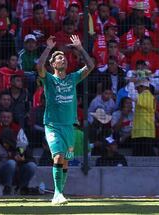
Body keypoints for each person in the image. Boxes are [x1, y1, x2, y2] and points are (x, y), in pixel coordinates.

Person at [37, 35, 94, 205]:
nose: (62, 59)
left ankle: (59, 193)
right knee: (58, 156)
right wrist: (48, 48)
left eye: (63, 57)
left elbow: (91, 66)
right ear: (53, 64)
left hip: (69, 125)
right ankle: (57, 194)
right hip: (53, 125)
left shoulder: (72, 78)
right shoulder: (48, 78)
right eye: (58, 58)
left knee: (66, 160)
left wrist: (80, 48)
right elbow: (39, 65)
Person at [0, 127, 36, 195]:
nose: (5, 144)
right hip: (3, 176)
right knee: (11, 163)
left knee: (32, 166)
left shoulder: (21, 147)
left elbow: (32, 160)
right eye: (3, 142)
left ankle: (22, 187)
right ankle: (7, 188)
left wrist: (23, 160)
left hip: (18, 175)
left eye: (6, 142)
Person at [131, 79, 156, 156]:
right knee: (145, 151)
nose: (136, 90)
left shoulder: (146, 95)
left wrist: (131, 83)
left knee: (145, 152)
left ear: (142, 87)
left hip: (144, 130)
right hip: (143, 130)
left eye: (137, 88)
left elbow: (134, 97)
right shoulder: (149, 96)